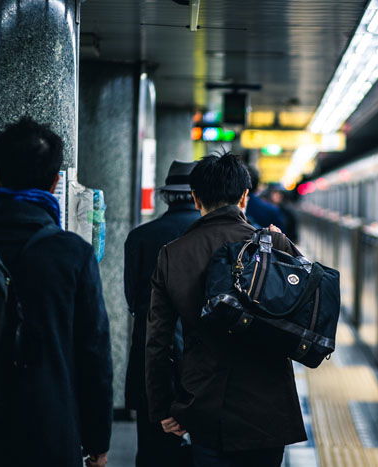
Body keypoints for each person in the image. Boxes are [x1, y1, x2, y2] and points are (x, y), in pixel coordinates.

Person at [146, 154, 307, 467]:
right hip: (267, 405)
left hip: (204, 402)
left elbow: (157, 342)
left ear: (195, 198)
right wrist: (285, 245)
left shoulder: (172, 254)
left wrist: (162, 408)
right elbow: (305, 309)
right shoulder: (272, 244)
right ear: (245, 196)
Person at [0, 117, 113, 467]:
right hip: (49, 428)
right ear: (55, 182)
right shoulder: (73, 253)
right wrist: (97, 441)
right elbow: (93, 353)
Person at [125, 160, 200, 467]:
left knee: (154, 452)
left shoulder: (141, 237)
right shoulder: (215, 239)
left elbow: (132, 302)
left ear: (167, 195)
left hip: (151, 363)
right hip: (203, 369)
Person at [245, 164, 286, 231]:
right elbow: (281, 237)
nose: (278, 196)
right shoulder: (273, 210)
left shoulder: (229, 207)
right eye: (275, 193)